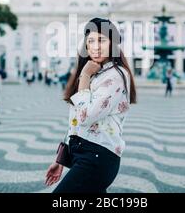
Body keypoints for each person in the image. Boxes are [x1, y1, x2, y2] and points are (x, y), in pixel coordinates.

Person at [45, 17, 137, 193]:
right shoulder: (96, 73)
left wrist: (85, 76)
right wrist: (60, 159)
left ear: (113, 44)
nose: (95, 46)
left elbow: (85, 117)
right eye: (90, 41)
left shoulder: (115, 76)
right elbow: (74, 121)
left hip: (99, 156)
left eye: (101, 40)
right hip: (84, 155)